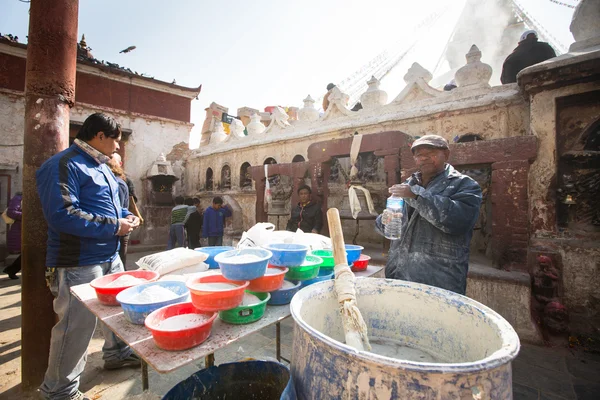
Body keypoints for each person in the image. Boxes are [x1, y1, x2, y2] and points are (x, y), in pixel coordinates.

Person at [36, 113, 141, 400]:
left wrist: (126, 216)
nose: (118, 147)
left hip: (109, 255)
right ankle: (59, 391)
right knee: (76, 328)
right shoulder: (63, 164)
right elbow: (62, 215)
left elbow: (111, 208)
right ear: (100, 136)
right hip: (79, 262)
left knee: (118, 312)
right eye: (116, 141)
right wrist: (114, 226)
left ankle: (117, 353)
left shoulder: (102, 168)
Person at [376, 135, 482, 295]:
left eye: (430, 153)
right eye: (419, 155)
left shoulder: (464, 185)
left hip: (438, 281)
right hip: (398, 276)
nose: (424, 158)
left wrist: (417, 196)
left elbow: (458, 221)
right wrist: (385, 220)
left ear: (445, 155)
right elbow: (387, 228)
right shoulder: (408, 185)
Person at [107, 153, 131, 268]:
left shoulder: (117, 183)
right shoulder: (115, 181)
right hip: (114, 226)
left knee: (119, 259)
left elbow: (119, 208)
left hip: (119, 227)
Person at [2, 192, 22, 279]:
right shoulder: (19, 198)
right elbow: (11, 212)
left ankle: (11, 270)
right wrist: (28, 216)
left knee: (28, 253)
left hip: (25, 228)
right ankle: (11, 270)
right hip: (20, 229)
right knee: (28, 252)